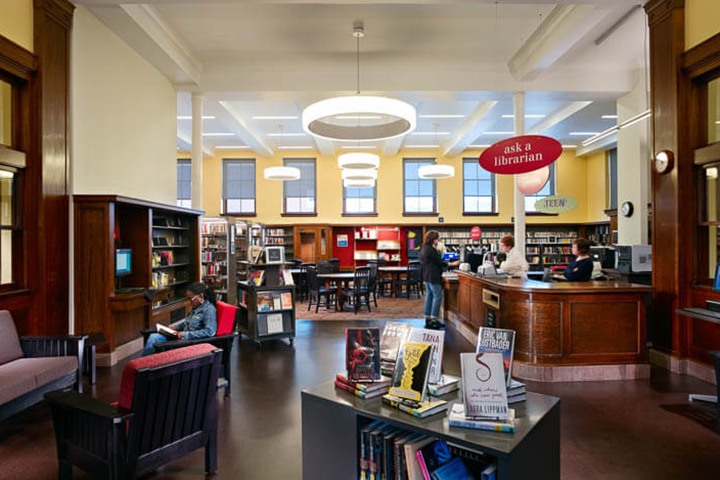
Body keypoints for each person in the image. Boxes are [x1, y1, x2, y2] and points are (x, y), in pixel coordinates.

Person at [142, 282, 218, 356]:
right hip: (181, 337)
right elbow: (187, 322)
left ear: (201, 297)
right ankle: (145, 363)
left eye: (190, 299)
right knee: (154, 337)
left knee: (155, 339)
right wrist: (175, 327)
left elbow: (210, 331)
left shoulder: (209, 310)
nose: (189, 302)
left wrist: (184, 334)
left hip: (190, 342)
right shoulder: (196, 307)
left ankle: (144, 364)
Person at [420, 230, 460, 330]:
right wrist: (453, 264)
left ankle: (427, 317)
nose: (438, 240)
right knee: (437, 296)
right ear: (433, 239)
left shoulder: (424, 248)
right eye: (437, 238)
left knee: (429, 296)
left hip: (427, 276)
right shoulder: (432, 250)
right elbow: (439, 262)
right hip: (434, 276)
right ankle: (434, 319)